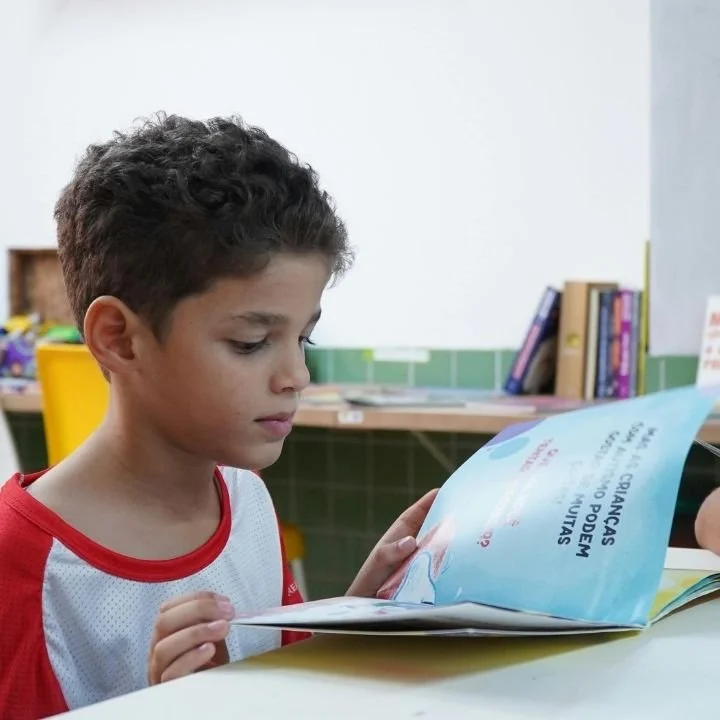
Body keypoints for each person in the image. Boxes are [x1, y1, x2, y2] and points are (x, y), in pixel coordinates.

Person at [0, 113, 437, 719]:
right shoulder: (19, 564)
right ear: (120, 340)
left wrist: (362, 606)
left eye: (303, 339)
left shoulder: (245, 499)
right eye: (251, 342)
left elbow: (279, 690)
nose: (296, 377)